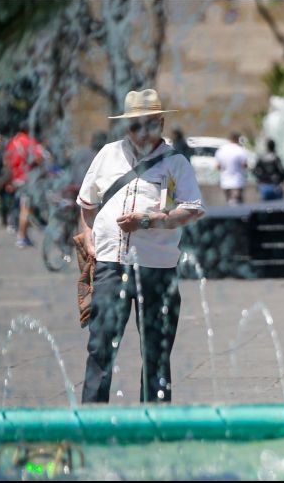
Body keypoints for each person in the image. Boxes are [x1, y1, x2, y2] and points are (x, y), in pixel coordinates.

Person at [76, 89, 205, 404]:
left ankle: (154, 420)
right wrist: (88, 236)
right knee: (100, 346)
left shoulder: (175, 162)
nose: (141, 133)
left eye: (149, 125)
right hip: (111, 264)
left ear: (161, 123)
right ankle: (91, 418)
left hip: (156, 268)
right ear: (125, 127)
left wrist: (148, 221)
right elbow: (87, 203)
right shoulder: (108, 154)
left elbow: (192, 209)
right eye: (134, 126)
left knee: (156, 351)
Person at [4, 122, 47, 248]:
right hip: (27, 179)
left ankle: (25, 236)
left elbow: (6, 161)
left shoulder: (13, 142)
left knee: (24, 207)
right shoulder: (29, 141)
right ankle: (21, 237)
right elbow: (39, 158)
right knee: (26, 208)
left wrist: (10, 179)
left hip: (15, 178)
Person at [214, 132, 248, 205]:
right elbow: (244, 165)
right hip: (238, 181)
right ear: (237, 139)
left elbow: (217, 166)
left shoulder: (221, 150)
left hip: (225, 181)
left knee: (229, 202)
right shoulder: (240, 150)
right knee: (237, 204)